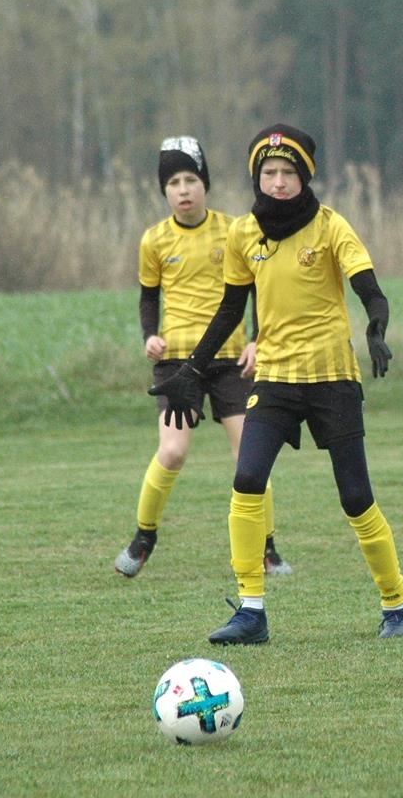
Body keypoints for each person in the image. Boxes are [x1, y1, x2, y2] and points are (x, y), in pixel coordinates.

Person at [151, 124, 403, 644]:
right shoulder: (243, 234)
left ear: (305, 176)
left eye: (287, 173)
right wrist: (191, 370)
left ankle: (397, 606)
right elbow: (231, 310)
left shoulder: (330, 226)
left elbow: (370, 290)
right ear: (257, 177)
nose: (277, 182)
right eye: (268, 172)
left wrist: (377, 327)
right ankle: (251, 612)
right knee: (247, 478)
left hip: (332, 376)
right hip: (273, 378)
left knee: (356, 497)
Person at [114, 136, 291, 578]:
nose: (183, 189)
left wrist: (258, 339)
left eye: (190, 180)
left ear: (204, 184)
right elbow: (148, 298)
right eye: (173, 182)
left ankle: (267, 548)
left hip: (230, 359)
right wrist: (149, 336)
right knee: (172, 452)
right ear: (164, 190)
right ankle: (143, 537)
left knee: (250, 456)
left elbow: (260, 288)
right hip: (177, 363)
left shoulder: (234, 231)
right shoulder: (154, 240)